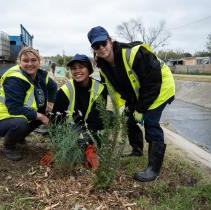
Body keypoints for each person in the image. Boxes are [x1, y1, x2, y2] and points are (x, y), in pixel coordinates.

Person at [87, 26, 175, 182]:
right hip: (139, 93)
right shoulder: (103, 65)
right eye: (96, 46)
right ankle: (137, 149)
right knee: (128, 118)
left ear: (110, 40)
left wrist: (141, 109)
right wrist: (109, 108)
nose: (101, 48)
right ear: (93, 48)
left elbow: (153, 81)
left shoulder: (134, 53)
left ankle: (153, 169)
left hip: (160, 87)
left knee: (150, 121)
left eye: (103, 43)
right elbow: (110, 88)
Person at [0, 47, 57, 161]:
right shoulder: (14, 79)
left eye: (33, 60)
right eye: (25, 60)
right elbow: (14, 109)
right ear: (19, 62)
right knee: (22, 123)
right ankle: (9, 146)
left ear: (39, 61)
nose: (30, 64)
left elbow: (53, 86)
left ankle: (19, 136)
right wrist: (41, 116)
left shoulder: (41, 75)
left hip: (13, 117)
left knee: (40, 113)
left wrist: (50, 104)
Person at [41, 54, 108, 170]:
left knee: (108, 117)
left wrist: (90, 146)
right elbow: (56, 122)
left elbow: (97, 119)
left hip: (89, 128)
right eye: (73, 68)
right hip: (69, 130)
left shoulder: (100, 88)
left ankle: (90, 148)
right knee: (69, 153)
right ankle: (69, 147)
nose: (77, 71)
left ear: (89, 69)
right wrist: (57, 146)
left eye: (81, 67)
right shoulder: (64, 91)